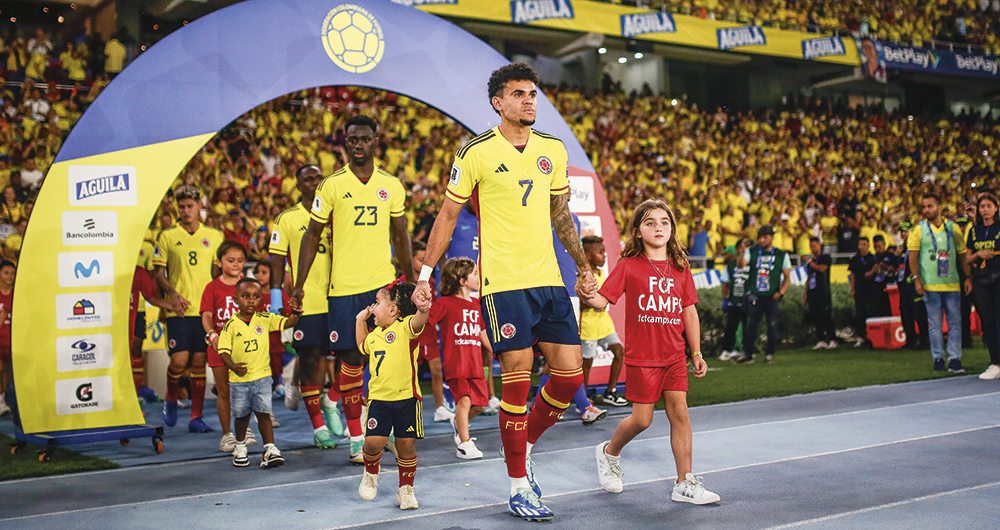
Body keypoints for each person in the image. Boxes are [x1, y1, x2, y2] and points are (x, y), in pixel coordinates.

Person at [411, 63, 597, 521]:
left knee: (571, 375)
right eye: (519, 94)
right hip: (504, 286)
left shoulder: (552, 149)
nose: (529, 100)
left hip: (549, 281)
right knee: (515, 384)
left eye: (532, 93)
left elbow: (561, 215)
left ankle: (523, 444)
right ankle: (518, 486)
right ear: (498, 102)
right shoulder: (474, 152)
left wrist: (583, 264)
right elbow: (447, 217)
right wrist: (424, 276)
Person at [293, 116, 415, 464]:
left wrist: (411, 280)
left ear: (376, 142)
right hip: (343, 287)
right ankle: (356, 437)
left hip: (381, 286)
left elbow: (400, 236)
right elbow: (312, 235)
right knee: (351, 359)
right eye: (352, 139)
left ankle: (343, 405)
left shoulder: (391, 185)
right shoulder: (330, 185)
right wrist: (299, 285)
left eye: (364, 138)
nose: (358, 144)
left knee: (380, 359)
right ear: (345, 143)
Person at [586, 199, 719, 505]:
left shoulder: (681, 268)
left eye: (664, 222)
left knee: (680, 413)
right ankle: (609, 452)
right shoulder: (629, 266)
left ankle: (684, 481)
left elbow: (690, 313)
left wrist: (696, 352)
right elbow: (602, 302)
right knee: (642, 420)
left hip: (674, 355)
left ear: (672, 229)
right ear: (637, 231)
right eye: (650, 222)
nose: (658, 227)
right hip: (642, 357)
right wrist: (588, 290)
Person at [268, 164, 340, 449]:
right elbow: (276, 258)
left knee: (350, 358)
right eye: (307, 178)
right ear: (298, 186)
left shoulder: (337, 213)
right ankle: (319, 427)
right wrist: (276, 297)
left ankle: (331, 399)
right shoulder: (287, 218)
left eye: (318, 177)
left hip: (339, 297)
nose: (313, 182)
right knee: (311, 363)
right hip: (307, 301)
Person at [152, 185, 225, 432]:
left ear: (199, 207)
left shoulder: (214, 236)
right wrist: (172, 295)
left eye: (190, 206)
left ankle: (196, 417)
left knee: (198, 362)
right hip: (179, 310)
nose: (185, 211)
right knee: (178, 361)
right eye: (181, 206)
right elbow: (158, 272)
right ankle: (171, 398)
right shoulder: (167, 236)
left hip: (204, 310)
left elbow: (218, 273)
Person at [356, 281, 430, 510]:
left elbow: (419, 323)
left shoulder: (406, 328)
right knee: (372, 442)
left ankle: (405, 490)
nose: (372, 308)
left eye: (377, 303)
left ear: (393, 310)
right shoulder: (374, 335)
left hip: (407, 399)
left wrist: (423, 310)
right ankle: (371, 472)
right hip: (378, 400)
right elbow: (361, 346)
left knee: (406, 445)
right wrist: (360, 321)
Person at [218, 278, 300, 468]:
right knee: (241, 416)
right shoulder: (230, 326)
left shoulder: (265, 319)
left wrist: (295, 314)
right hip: (239, 380)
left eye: (256, 297)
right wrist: (233, 366)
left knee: (264, 413)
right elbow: (223, 352)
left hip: (262, 378)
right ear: (236, 299)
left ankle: (270, 448)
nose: (251, 301)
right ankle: (240, 446)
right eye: (245, 296)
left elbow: (287, 323)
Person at [427, 257, 492, 459]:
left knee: (480, 404)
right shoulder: (444, 303)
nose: (478, 277)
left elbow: (482, 332)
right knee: (463, 400)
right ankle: (464, 444)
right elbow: (425, 320)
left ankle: (458, 421)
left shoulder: (476, 304)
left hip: (475, 364)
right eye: (474, 274)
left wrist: (497, 351)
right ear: (462, 281)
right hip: (456, 363)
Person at [201, 241, 256, 451]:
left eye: (240, 260)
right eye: (230, 260)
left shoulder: (249, 285)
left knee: (245, 390)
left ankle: (245, 429)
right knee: (224, 391)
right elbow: (206, 316)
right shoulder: (212, 287)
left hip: (246, 346)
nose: (235, 264)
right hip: (220, 347)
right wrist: (212, 335)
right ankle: (227, 435)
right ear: (219, 262)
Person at [908, 193, 967, 372]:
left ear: (940, 207)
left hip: (952, 284)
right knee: (934, 324)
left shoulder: (953, 228)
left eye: (930, 206)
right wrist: (916, 279)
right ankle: (938, 358)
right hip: (930, 285)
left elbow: (963, 254)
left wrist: (968, 277)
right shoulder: (918, 230)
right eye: (924, 207)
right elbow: (913, 256)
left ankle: (955, 358)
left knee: (955, 322)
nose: (926, 210)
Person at [580, 236, 627, 407]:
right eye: (600, 253)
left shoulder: (602, 273)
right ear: (588, 255)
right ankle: (584, 400)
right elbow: (579, 303)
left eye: (604, 252)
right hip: (588, 327)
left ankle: (610, 392)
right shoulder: (583, 276)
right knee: (587, 363)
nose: (604, 256)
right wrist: (593, 305)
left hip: (604, 324)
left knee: (619, 352)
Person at [737, 225, 791, 363]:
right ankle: (748, 354)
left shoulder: (781, 254)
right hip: (756, 295)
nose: (762, 240)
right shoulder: (753, 251)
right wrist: (742, 252)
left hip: (772, 296)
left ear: (772, 237)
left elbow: (787, 277)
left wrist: (781, 292)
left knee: (772, 325)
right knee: (750, 325)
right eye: (760, 237)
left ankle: (769, 354)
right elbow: (741, 265)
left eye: (765, 237)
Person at [411, 240, 452, 422]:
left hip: (429, 333)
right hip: (412, 334)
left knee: (437, 369)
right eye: (420, 260)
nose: (423, 264)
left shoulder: (431, 280)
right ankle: (407, 409)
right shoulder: (404, 280)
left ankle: (439, 408)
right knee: (408, 374)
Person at [964, 193, 1000, 380]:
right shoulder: (974, 231)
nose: (985, 210)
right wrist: (979, 254)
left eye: (989, 206)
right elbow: (967, 258)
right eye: (982, 206)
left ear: (996, 208)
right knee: (987, 320)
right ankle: (995, 362)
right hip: (982, 279)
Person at [896, 222, 928, 350]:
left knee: (919, 314)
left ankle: (924, 341)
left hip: (915, 285)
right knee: (906, 313)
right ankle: (910, 340)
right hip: (904, 286)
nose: (903, 234)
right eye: (901, 231)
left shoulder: (917, 247)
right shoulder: (901, 249)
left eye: (906, 231)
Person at [719, 237, 751, 360]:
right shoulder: (730, 265)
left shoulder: (751, 263)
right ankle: (727, 350)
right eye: (742, 247)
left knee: (748, 327)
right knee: (731, 328)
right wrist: (725, 299)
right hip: (734, 300)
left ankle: (747, 351)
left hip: (747, 300)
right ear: (737, 249)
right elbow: (726, 283)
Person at [803, 237, 836, 349]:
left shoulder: (825, 257)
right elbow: (809, 276)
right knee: (816, 316)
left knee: (826, 315)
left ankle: (832, 339)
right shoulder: (812, 261)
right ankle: (821, 339)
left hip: (823, 291)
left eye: (814, 246)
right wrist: (806, 292)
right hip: (813, 291)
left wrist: (809, 262)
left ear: (819, 245)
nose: (812, 248)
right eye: (811, 246)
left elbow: (822, 269)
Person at [848, 237, 877, 348]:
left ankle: (871, 336)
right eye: (860, 244)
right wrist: (853, 289)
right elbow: (853, 274)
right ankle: (861, 336)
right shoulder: (855, 259)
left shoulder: (872, 258)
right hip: (860, 289)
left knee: (870, 311)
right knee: (860, 313)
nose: (862, 246)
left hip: (870, 289)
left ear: (868, 245)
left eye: (864, 244)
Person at [0, 261, 13, 416]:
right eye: (6, 273)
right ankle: (1, 402)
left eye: (12, 273)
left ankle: (7, 400)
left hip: (13, 339)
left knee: (8, 372)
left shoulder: (18, 293)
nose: (10, 276)